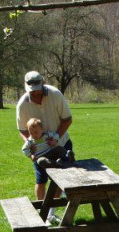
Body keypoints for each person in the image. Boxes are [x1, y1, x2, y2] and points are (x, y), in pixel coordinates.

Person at [16, 71, 75, 223]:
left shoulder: (55, 95)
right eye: (32, 91)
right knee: (41, 181)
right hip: (40, 151)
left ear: (43, 83)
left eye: (38, 89)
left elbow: (67, 119)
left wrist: (56, 137)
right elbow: (22, 129)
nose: (36, 93)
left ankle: (51, 213)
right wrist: (29, 145)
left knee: (60, 180)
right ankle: (43, 214)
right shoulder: (23, 104)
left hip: (60, 143)